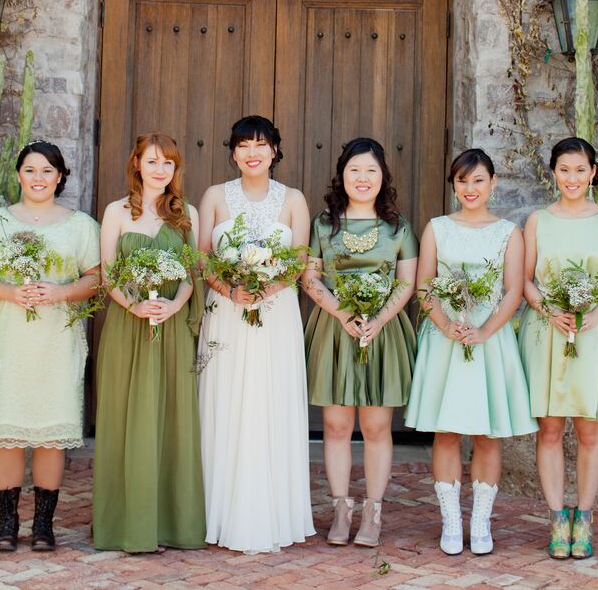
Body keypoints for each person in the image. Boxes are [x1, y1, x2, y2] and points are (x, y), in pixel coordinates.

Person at [0, 140, 100, 552]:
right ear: (19, 174)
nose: (38, 178)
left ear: (60, 177)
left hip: (58, 342)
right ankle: (6, 525)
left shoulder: (80, 226)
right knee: (8, 432)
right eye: (31, 170)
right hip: (10, 340)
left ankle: (43, 525)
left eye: (47, 171)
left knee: (50, 434)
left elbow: (96, 278)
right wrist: (7, 291)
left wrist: (59, 293)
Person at [405, 148, 537, 555]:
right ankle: (450, 521)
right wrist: (447, 326)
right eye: (462, 181)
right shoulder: (437, 228)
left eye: (478, 180)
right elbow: (424, 285)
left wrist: (482, 332)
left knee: (486, 433)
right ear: (454, 185)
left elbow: (514, 290)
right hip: (446, 338)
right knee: (445, 433)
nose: (470, 188)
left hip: (489, 339)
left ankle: (480, 522)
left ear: (493, 183)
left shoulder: (508, 233)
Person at [518, 136, 598, 560]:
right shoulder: (537, 220)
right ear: (553, 172)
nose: (572, 178)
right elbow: (526, 280)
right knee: (550, 428)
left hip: (594, 330)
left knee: (589, 429)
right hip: (548, 330)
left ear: (593, 173)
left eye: (580, 170)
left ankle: (584, 519)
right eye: (564, 169)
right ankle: (556, 518)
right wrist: (548, 310)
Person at [198, 115, 314, 554]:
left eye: (261, 145)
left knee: (270, 399)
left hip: (275, 312)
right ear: (233, 151)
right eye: (244, 145)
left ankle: (272, 514)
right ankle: (218, 512)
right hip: (226, 310)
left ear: (275, 151)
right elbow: (203, 257)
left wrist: (267, 286)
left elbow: (299, 260)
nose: (252, 153)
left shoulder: (293, 200)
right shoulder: (214, 196)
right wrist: (231, 288)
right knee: (225, 399)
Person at [92, 132, 206, 553]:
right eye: (152, 161)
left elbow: (193, 276)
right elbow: (108, 274)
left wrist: (174, 307)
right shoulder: (116, 212)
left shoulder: (186, 213)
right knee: (127, 417)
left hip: (171, 329)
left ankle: (173, 523)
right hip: (128, 326)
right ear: (136, 163)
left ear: (176, 170)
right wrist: (134, 305)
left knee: (172, 418)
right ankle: (126, 525)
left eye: (168, 164)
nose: (160, 170)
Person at [302, 137, 418, 549]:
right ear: (342, 175)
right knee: (335, 425)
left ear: (383, 176)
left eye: (370, 170)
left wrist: (379, 318)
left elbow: (408, 283)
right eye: (355, 170)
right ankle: (340, 508)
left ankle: (373, 511)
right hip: (335, 330)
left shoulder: (398, 227)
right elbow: (310, 276)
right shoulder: (322, 224)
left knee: (375, 426)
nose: (363, 178)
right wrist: (342, 313)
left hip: (382, 332)